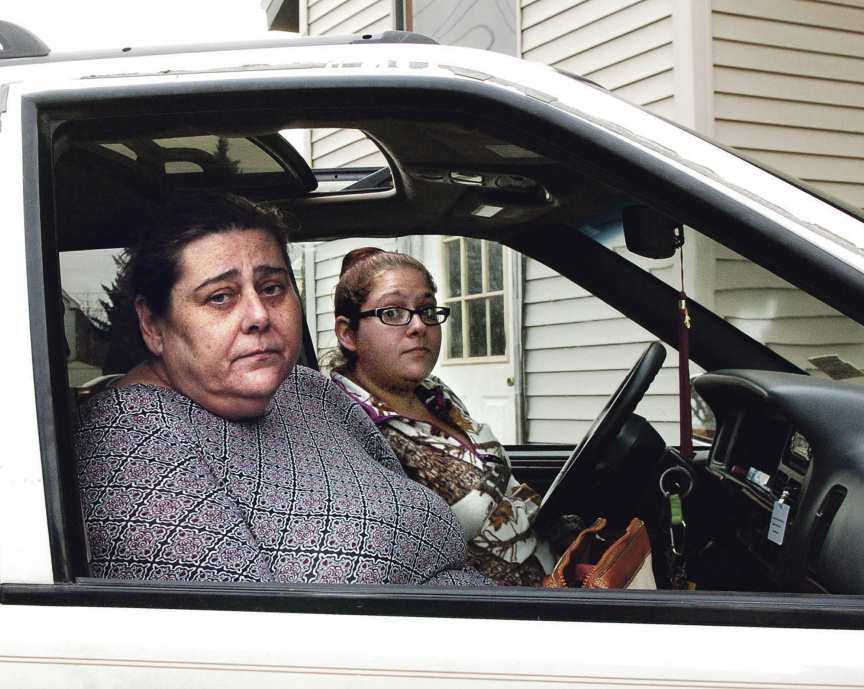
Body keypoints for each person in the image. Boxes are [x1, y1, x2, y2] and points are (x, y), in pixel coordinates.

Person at [74, 194, 488, 586]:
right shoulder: (131, 444)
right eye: (220, 297)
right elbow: (245, 644)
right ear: (152, 324)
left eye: (272, 288)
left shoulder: (308, 391)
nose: (258, 315)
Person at [329, 248, 554, 586]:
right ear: (348, 334)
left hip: (557, 574)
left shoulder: (434, 392)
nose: (419, 325)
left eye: (427, 310)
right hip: (499, 610)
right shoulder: (348, 426)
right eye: (393, 312)